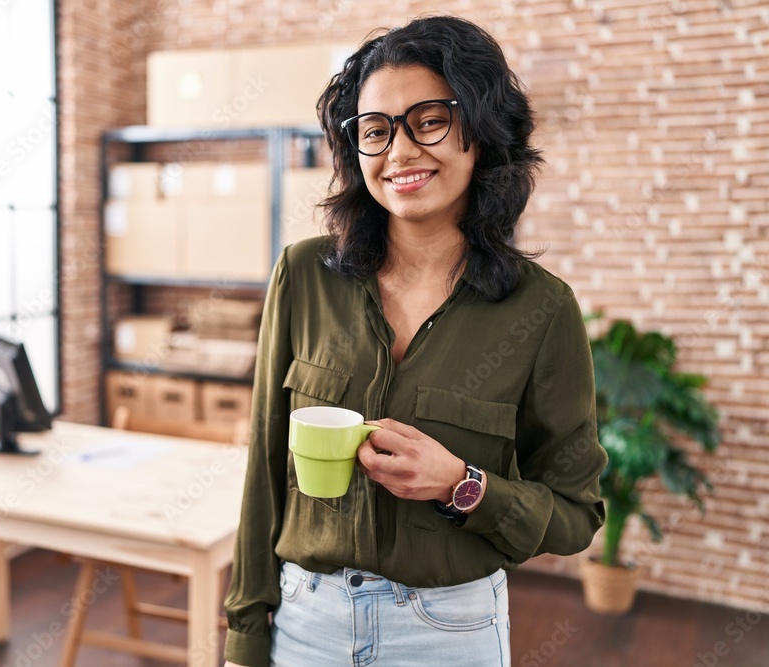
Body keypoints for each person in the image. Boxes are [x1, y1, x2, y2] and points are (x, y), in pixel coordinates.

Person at [223, 15, 608, 667]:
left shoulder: (541, 309)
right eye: (375, 131)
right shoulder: (303, 276)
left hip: (448, 628)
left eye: (428, 120)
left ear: (481, 134)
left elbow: (576, 511)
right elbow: (264, 469)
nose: (399, 152)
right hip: (305, 618)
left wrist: (462, 484)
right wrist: (243, 638)